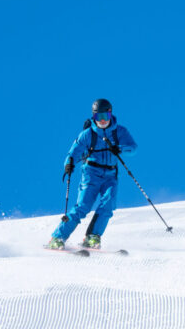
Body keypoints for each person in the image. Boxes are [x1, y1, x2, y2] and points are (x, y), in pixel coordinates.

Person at [47, 99, 137, 250]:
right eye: (98, 117)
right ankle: (57, 238)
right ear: (93, 117)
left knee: (108, 205)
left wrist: (120, 149)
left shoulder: (119, 131)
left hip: (110, 175)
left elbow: (133, 148)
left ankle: (93, 237)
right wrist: (69, 164)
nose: (102, 121)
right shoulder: (87, 134)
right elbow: (73, 152)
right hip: (91, 173)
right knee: (83, 206)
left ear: (110, 114)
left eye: (105, 116)